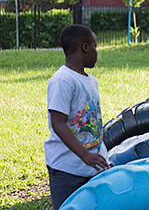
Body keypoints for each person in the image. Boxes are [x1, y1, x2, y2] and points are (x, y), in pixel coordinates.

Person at [44, 24, 110, 209]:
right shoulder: (62, 80)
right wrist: (84, 155)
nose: (97, 52)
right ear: (85, 47)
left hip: (92, 167)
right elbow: (58, 123)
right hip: (67, 169)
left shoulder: (90, 80)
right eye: (95, 46)